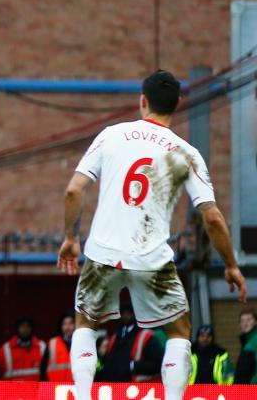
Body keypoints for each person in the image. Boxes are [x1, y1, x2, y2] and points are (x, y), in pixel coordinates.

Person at [58, 69, 248, 400]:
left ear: (142, 101)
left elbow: (74, 190)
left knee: (86, 324)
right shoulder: (187, 154)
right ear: (176, 104)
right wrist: (231, 263)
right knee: (179, 331)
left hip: (103, 254)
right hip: (152, 259)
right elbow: (213, 218)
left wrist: (70, 239)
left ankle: (84, 396)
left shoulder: (111, 135)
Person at [97, 304, 162, 382]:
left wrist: (132, 366)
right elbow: (102, 365)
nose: (125, 316)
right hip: (113, 386)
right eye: (123, 313)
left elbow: (158, 364)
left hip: (137, 388)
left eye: (129, 313)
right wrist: (100, 355)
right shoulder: (114, 337)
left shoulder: (146, 336)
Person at [0, 317, 44, 381]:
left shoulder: (42, 347)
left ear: (32, 329)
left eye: (28, 326)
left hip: (37, 390)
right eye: (22, 326)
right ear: (17, 328)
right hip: (12, 390)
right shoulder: (4, 350)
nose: (25, 329)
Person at [42, 312, 75, 382]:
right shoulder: (52, 343)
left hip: (76, 389)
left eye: (71, 323)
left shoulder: (82, 343)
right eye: (64, 324)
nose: (67, 327)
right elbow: (43, 369)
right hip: (55, 389)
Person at [236, 308, 257, 384]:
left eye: (249, 320)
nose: (245, 323)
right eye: (242, 321)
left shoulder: (254, 340)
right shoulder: (248, 341)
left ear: (255, 322)